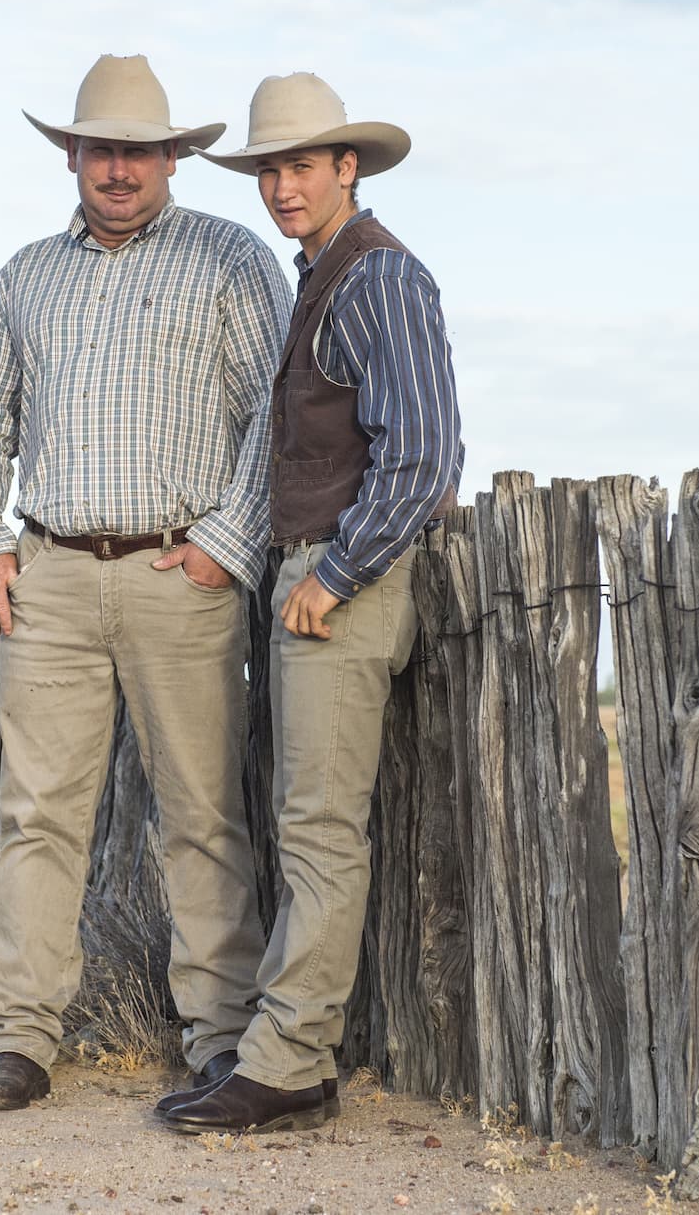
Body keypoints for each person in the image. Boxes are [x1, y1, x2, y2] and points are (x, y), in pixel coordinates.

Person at [0, 53, 293, 1111]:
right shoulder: (24, 277)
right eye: (102, 149)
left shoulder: (232, 261)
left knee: (200, 813)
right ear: (72, 155)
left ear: (174, 158)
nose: (121, 168)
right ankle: (21, 1038)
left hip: (179, 573)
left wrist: (229, 541)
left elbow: (278, 410)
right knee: (38, 813)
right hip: (49, 573)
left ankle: (221, 1035)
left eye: (141, 149)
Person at [161, 71, 463, 1134]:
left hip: (345, 581)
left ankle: (288, 1062)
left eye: (302, 165)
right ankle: (285, 1052)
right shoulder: (322, 274)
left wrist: (334, 574)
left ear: (348, 167)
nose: (283, 185)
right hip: (316, 576)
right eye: (270, 168)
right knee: (305, 826)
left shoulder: (376, 278)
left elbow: (423, 453)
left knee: (321, 831)